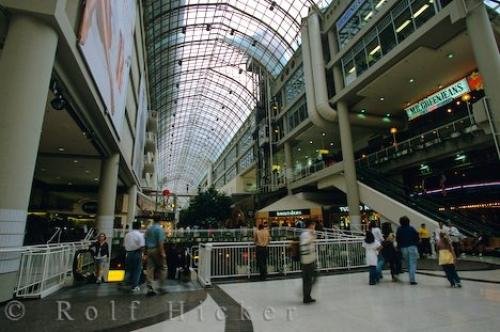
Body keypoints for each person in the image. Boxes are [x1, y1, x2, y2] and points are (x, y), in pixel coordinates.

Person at [144, 218, 167, 296]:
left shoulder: (149, 229)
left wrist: (145, 253)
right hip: (156, 250)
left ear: (154, 221)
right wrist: (162, 253)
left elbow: (145, 240)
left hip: (149, 250)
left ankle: (150, 289)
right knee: (163, 268)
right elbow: (160, 242)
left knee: (150, 269)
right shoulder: (159, 229)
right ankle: (161, 287)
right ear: (159, 221)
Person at [396, 216, 420, 285]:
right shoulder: (411, 228)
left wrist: (399, 247)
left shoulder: (399, 229)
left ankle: (411, 277)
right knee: (412, 263)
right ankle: (412, 279)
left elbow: (398, 239)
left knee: (408, 263)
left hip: (403, 248)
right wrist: (416, 243)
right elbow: (417, 236)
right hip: (412, 247)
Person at [123, 222, 145, 293]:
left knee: (129, 269)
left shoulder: (127, 235)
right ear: (140, 227)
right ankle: (134, 286)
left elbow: (124, 245)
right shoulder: (140, 235)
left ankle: (126, 282)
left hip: (128, 253)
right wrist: (142, 255)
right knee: (137, 270)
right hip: (137, 253)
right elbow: (142, 246)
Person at [300, 220, 317, 304]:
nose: (314, 227)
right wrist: (312, 237)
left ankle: (307, 296)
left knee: (308, 278)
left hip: (309, 258)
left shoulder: (308, 234)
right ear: (310, 225)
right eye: (313, 225)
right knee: (308, 278)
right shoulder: (305, 234)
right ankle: (306, 296)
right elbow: (304, 243)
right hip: (306, 259)